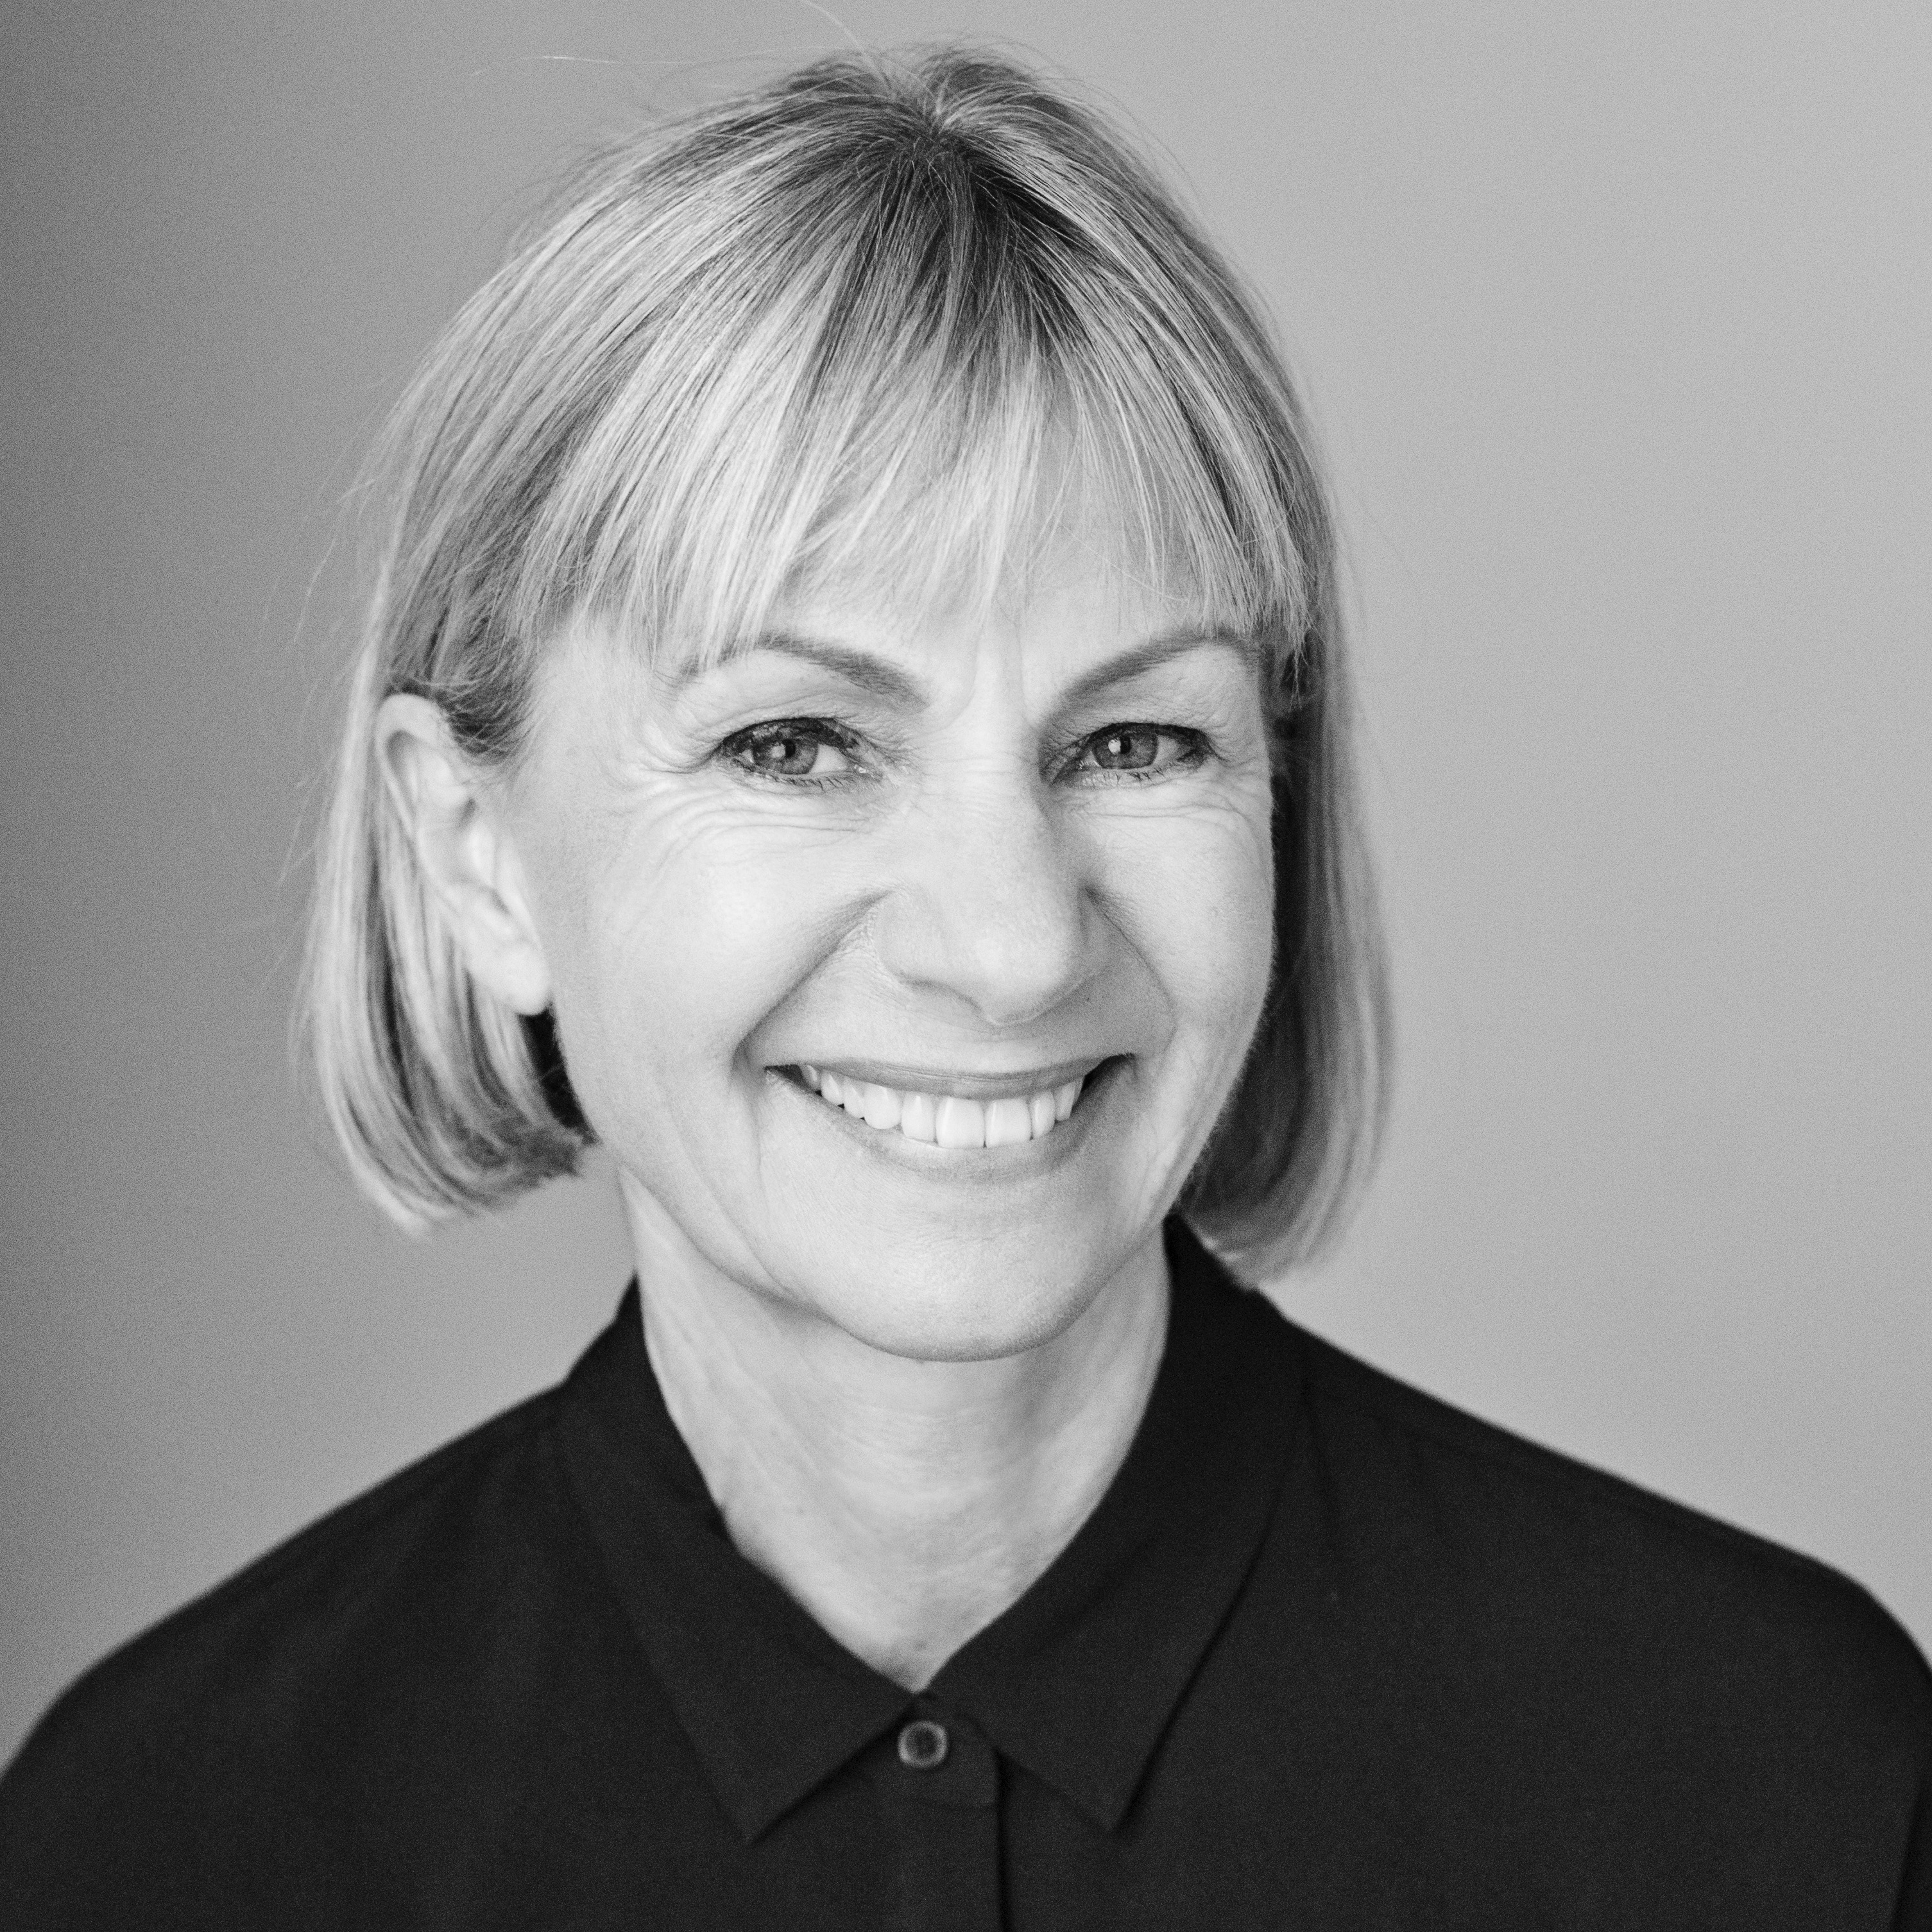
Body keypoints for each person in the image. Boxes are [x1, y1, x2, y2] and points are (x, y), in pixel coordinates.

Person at [1, 46, 1926, 1929]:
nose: (1012, 948)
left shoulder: (1779, 1786)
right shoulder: (161, 1844)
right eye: (793, 743)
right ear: (471, 852)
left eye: (1135, 742)